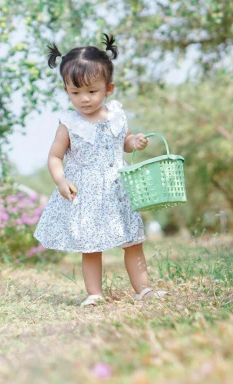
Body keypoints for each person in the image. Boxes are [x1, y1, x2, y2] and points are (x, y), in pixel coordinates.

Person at [34, 34, 168, 307]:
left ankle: (143, 289)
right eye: (75, 92)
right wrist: (61, 179)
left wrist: (135, 142)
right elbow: (55, 156)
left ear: (109, 88)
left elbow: (125, 143)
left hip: (119, 189)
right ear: (66, 90)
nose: (84, 99)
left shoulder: (117, 115)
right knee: (91, 246)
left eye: (92, 91)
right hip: (87, 193)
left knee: (133, 240)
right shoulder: (69, 123)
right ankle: (94, 293)